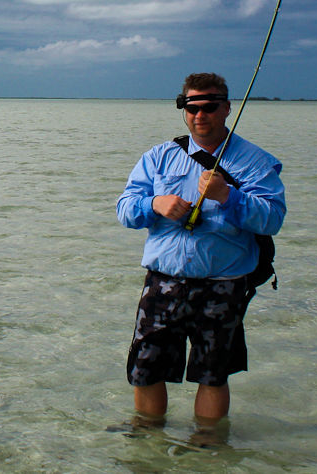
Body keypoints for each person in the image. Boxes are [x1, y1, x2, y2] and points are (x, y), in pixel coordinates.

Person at [117, 72, 285, 425]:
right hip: (162, 281)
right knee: (146, 368)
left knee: (213, 373)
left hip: (223, 285)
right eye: (190, 107)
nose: (200, 115)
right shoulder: (159, 157)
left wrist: (228, 196)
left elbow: (271, 220)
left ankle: (206, 445)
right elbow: (125, 209)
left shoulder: (255, 162)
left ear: (226, 108)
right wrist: (155, 204)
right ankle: (148, 439)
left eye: (210, 107)